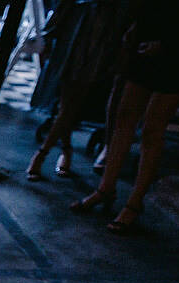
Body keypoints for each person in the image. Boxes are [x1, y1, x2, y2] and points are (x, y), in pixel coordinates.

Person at [70, 1, 179, 232]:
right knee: (124, 117)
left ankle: (134, 203)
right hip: (147, 40)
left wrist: (166, 44)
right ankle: (105, 189)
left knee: (152, 129)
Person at [25, 0, 129, 181]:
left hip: (95, 37)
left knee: (68, 107)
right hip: (75, 35)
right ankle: (63, 152)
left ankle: (43, 154)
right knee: (67, 106)